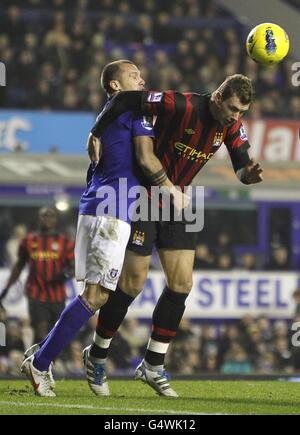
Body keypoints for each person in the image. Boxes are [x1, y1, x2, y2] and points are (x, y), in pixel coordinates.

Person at [86, 74, 264, 397]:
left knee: (182, 284)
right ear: (219, 96)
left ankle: (153, 365)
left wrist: (247, 175)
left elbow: (241, 163)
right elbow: (127, 99)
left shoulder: (231, 126)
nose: (236, 117)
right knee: (131, 284)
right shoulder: (179, 103)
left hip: (182, 201)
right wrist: (96, 130)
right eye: (234, 109)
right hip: (146, 195)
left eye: (242, 112)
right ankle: (96, 354)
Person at [20, 60, 186, 397]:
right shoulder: (134, 113)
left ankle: (41, 355)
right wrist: (171, 190)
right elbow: (144, 157)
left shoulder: (112, 113)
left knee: (95, 295)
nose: (142, 79)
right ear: (114, 85)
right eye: (133, 75)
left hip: (102, 208)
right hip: (110, 211)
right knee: (95, 296)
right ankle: (40, 362)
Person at [0, 207, 74, 344]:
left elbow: (74, 266)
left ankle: (48, 362)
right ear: (39, 219)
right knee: (41, 330)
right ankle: (41, 363)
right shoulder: (28, 241)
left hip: (57, 295)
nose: (47, 219)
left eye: (50, 216)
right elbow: (18, 266)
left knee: (56, 332)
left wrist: (65, 274)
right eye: (44, 216)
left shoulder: (65, 243)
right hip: (36, 294)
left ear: (55, 220)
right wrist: (5, 290)